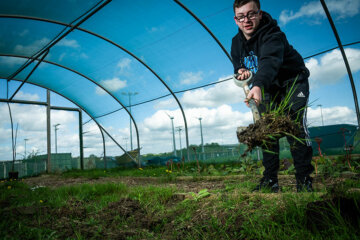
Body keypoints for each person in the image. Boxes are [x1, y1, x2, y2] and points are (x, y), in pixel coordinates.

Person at [231, 0, 314, 192]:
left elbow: (270, 61)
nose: (247, 20)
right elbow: (238, 66)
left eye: (251, 14)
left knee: (295, 127)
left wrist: (258, 84)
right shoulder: (236, 43)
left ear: (259, 14)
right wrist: (241, 72)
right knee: (265, 130)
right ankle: (270, 181)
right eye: (241, 16)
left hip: (292, 81)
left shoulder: (273, 35)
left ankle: (304, 181)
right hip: (267, 87)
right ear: (236, 20)